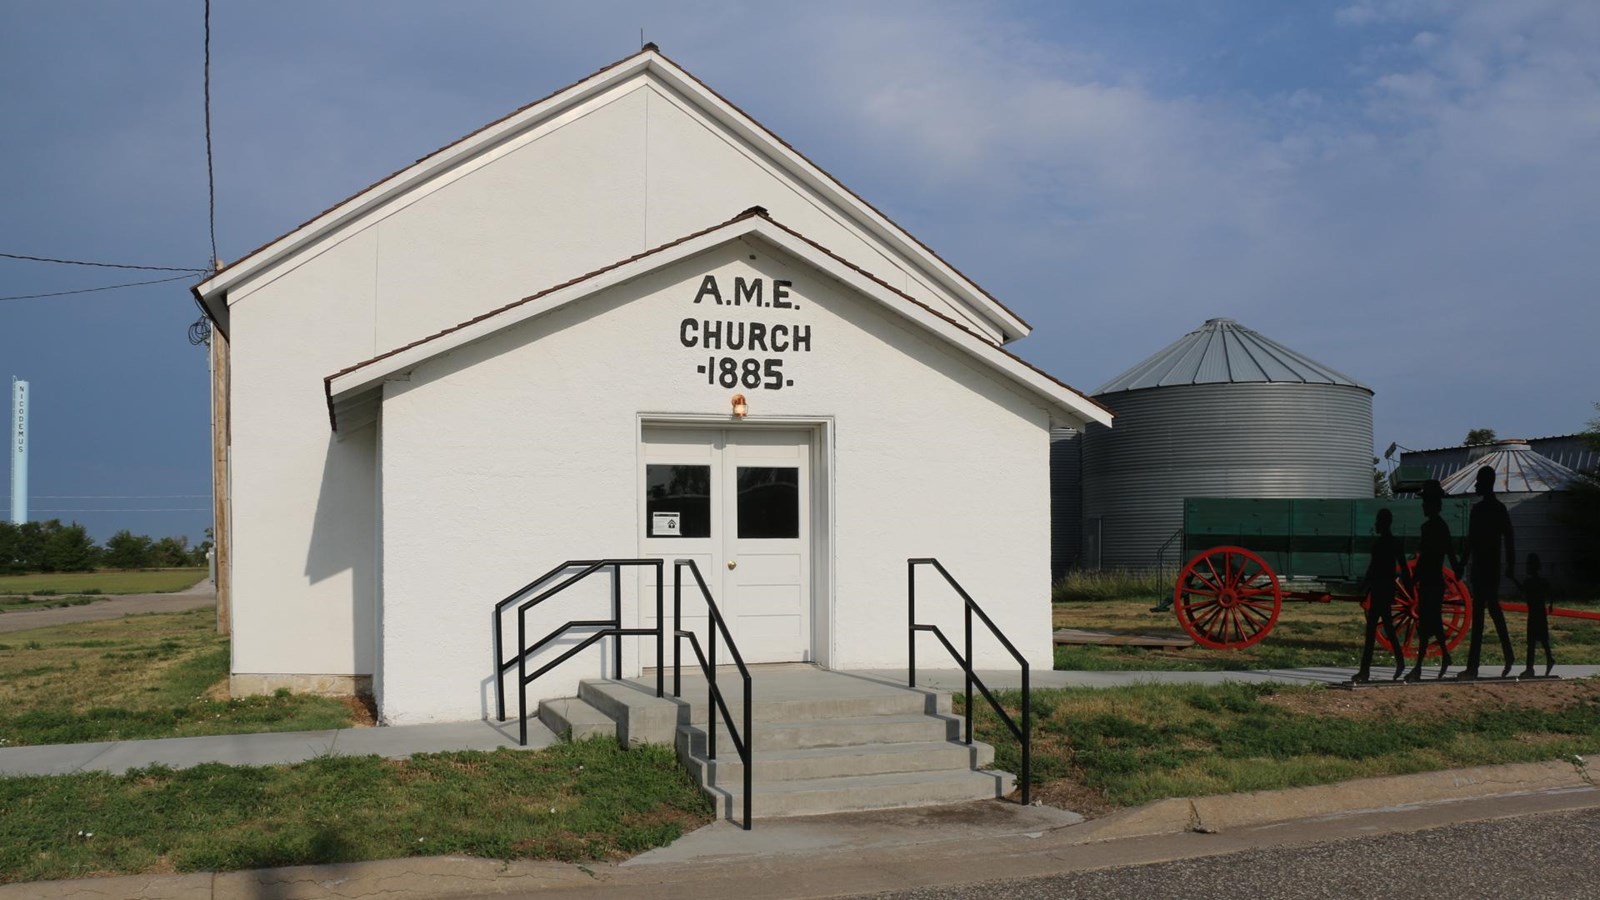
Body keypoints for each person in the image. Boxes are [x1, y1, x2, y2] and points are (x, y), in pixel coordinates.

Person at [1458, 465, 1516, 679]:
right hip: (1489, 567)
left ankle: (1474, 667)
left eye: (1478, 481)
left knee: (1483, 616)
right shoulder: (1497, 509)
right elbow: (1508, 537)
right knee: (1492, 611)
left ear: (1486, 483)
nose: (1476, 485)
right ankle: (1507, 655)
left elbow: (1471, 541)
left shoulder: (1482, 510)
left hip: (1484, 567)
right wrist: (1510, 564)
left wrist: (1462, 564)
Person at [1407, 481, 1458, 682]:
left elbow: (1428, 555)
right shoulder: (1437, 526)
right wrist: (1458, 568)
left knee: (1427, 622)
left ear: (1432, 503)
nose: (1423, 506)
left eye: (1425, 502)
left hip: (1431, 580)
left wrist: (1415, 576)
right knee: (1431, 622)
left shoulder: (1431, 527)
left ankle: (1419, 668)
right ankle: (1444, 656)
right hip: (1433, 579)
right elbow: (1449, 551)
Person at [1355, 509, 1411, 682]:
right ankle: (1398, 662)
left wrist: (1364, 587)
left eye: (1378, 521)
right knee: (1384, 629)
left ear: (1383, 523)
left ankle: (1365, 671)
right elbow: (1403, 567)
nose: (1376, 525)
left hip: (1380, 589)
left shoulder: (1380, 544)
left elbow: (1373, 569)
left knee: (1374, 630)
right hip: (1385, 589)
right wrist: (1409, 588)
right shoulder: (1394, 543)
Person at [1512, 552, 1554, 678]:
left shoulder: (1529, 582)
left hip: (1534, 614)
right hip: (1540, 613)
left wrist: (1513, 579)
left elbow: (1522, 591)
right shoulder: (1542, 581)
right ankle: (1549, 658)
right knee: (1543, 639)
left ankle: (1530, 668)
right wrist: (1551, 605)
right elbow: (1550, 593)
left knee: (1531, 641)